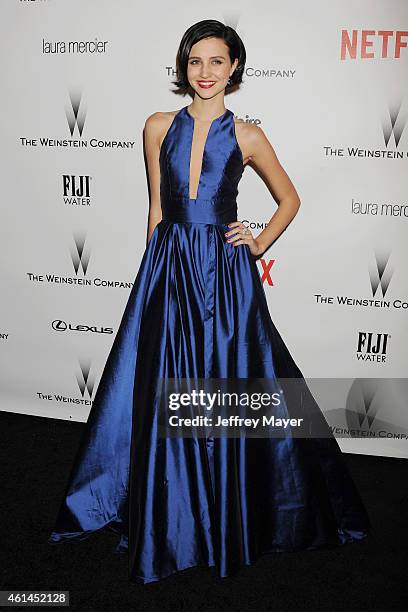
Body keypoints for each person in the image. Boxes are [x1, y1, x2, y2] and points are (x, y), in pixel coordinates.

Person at [48, 19, 371, 584]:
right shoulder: (155, 126)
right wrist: (154, 272)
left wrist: (257, 241)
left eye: (217, 62)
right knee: (159, 384)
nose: (205, 72)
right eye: (196, 61)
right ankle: (169, 511)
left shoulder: (247, 135)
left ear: (235, 67)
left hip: (224, 274)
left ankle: (232, 510)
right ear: (183, 66)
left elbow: (289, 198)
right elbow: (157, 208)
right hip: (169, 268)